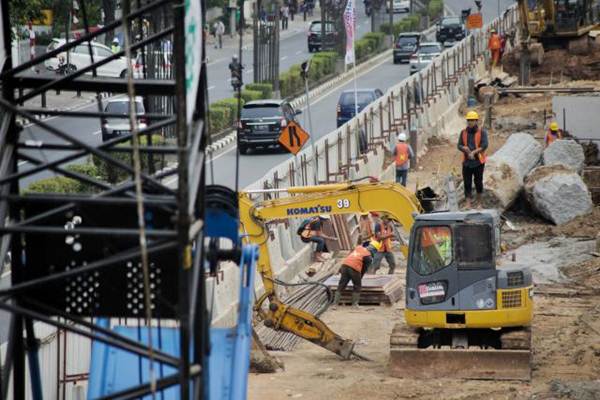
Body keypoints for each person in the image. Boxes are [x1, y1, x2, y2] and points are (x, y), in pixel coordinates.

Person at [333, 240, 381, 308]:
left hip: (344, 265)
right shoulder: (368, 257)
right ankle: (354, 305)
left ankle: (335, 304)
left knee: (341, 284)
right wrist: (359, 278)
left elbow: (350, 256)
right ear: (374, 250)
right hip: (354, 268)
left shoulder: (358, 248)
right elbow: (363, 270)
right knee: (357, 286)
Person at [457, 110, 488, 209]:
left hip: (478, 162)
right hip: (466, 162)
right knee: (467, 183)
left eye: (472, 120)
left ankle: (479, 203)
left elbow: (484, 145)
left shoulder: (482, 132)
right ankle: (468, 204)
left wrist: (474, 152)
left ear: (476, 121)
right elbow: (459, 145)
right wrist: (464, 149)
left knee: (478, 182)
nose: (470, 122)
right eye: (469, 120)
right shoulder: (463, 132)